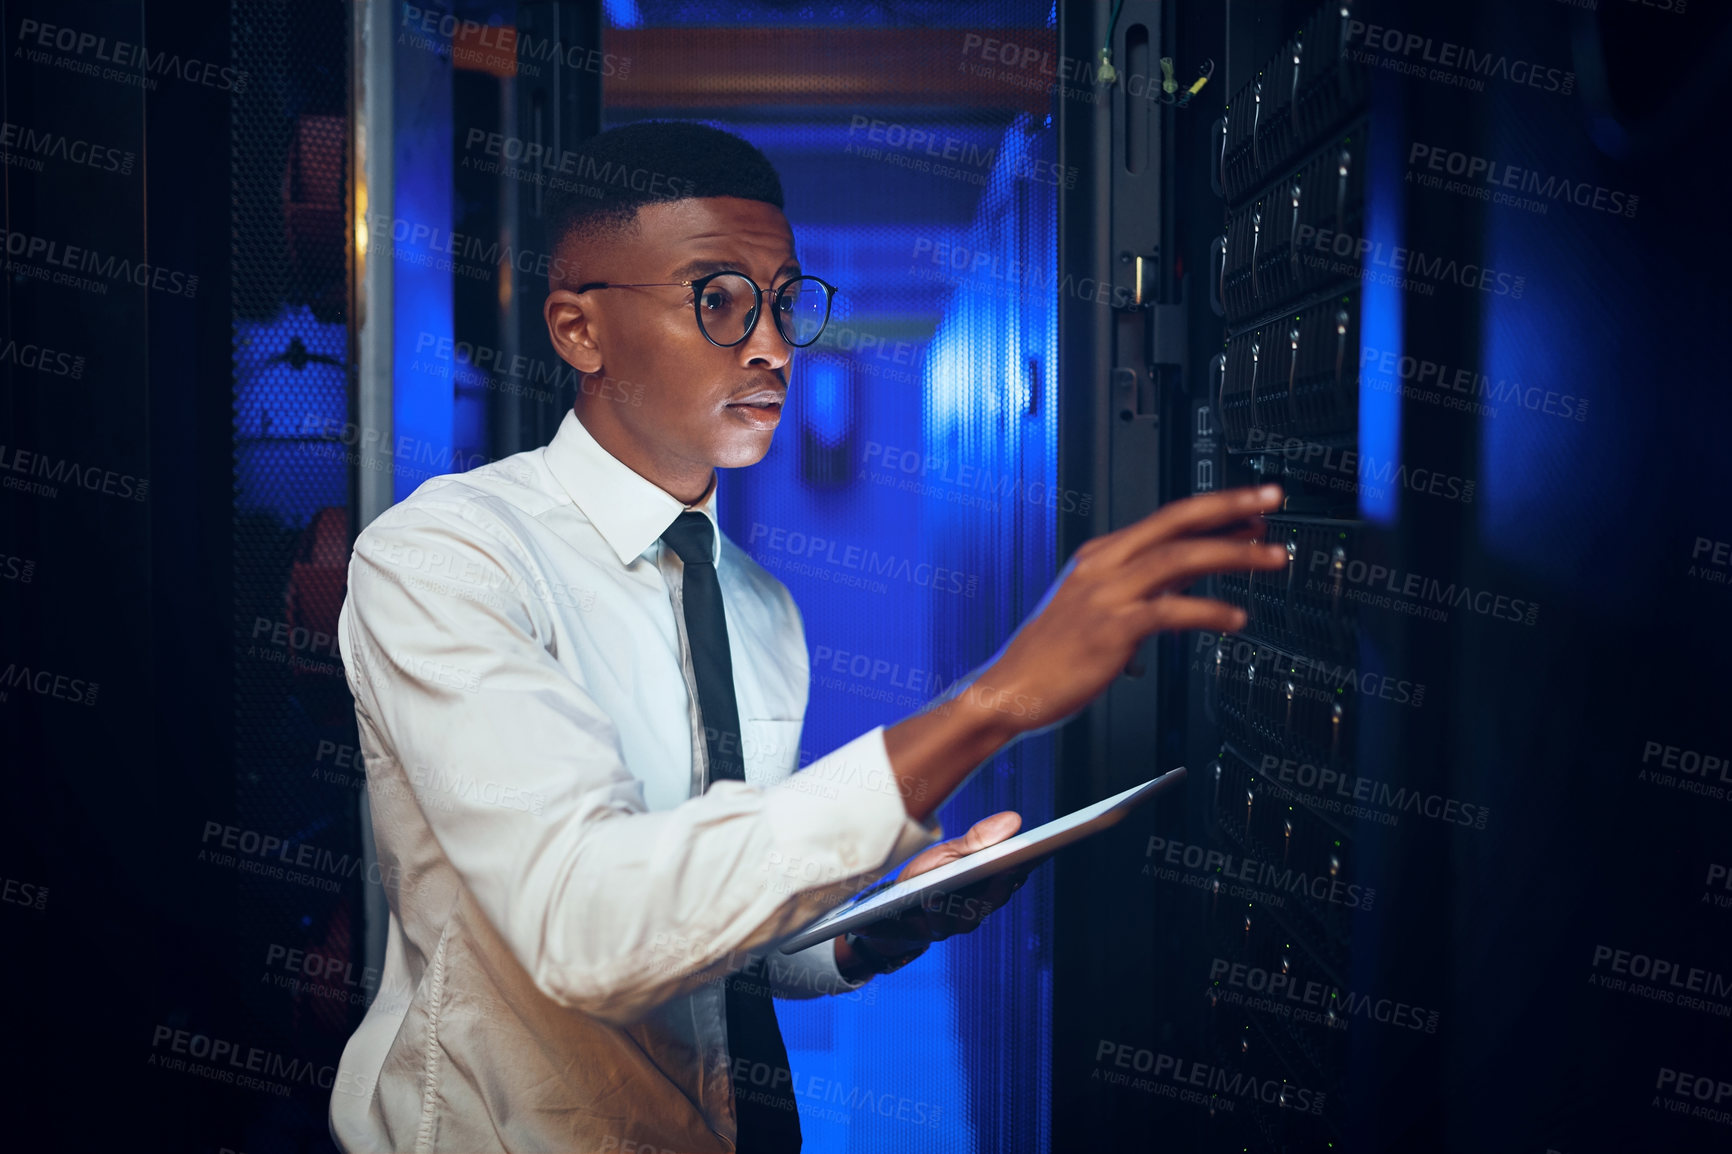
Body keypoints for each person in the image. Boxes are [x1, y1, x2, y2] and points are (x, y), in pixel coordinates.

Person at [328, 120, 1287, 1153]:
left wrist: (882, 922)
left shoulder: (757, 607)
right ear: (578, 330)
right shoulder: (444, 558)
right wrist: (991, 701)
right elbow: (588, 927)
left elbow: (716, 933)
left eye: (784, 301)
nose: (774, 345)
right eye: (719, 298)